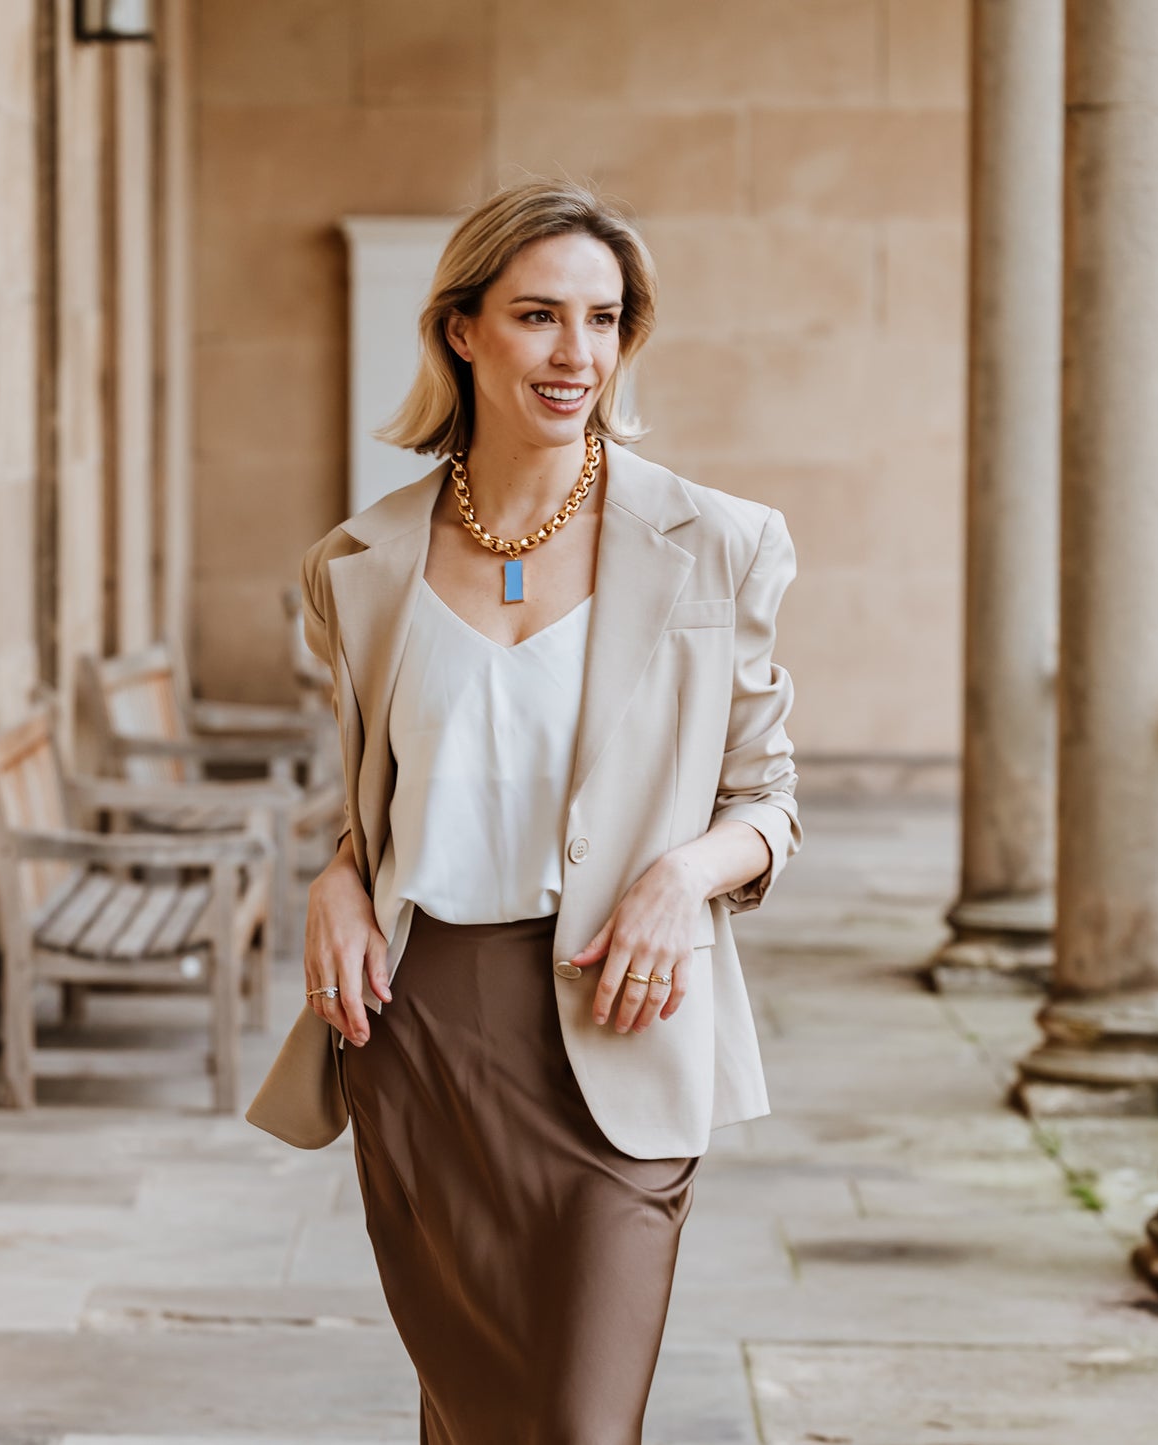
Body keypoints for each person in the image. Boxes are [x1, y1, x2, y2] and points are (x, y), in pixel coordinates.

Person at [247, 177, 802, 1444]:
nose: (575, 355)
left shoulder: (715, 543)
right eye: (539, 316)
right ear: (462, 329)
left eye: (602, 321)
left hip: (623, 1018)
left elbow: (766, 798)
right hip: (422, 1031)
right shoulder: (361, 564)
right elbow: (377, 806)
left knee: (576, 1425)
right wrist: (338, 880)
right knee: (472, 1416)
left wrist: (681, 878)